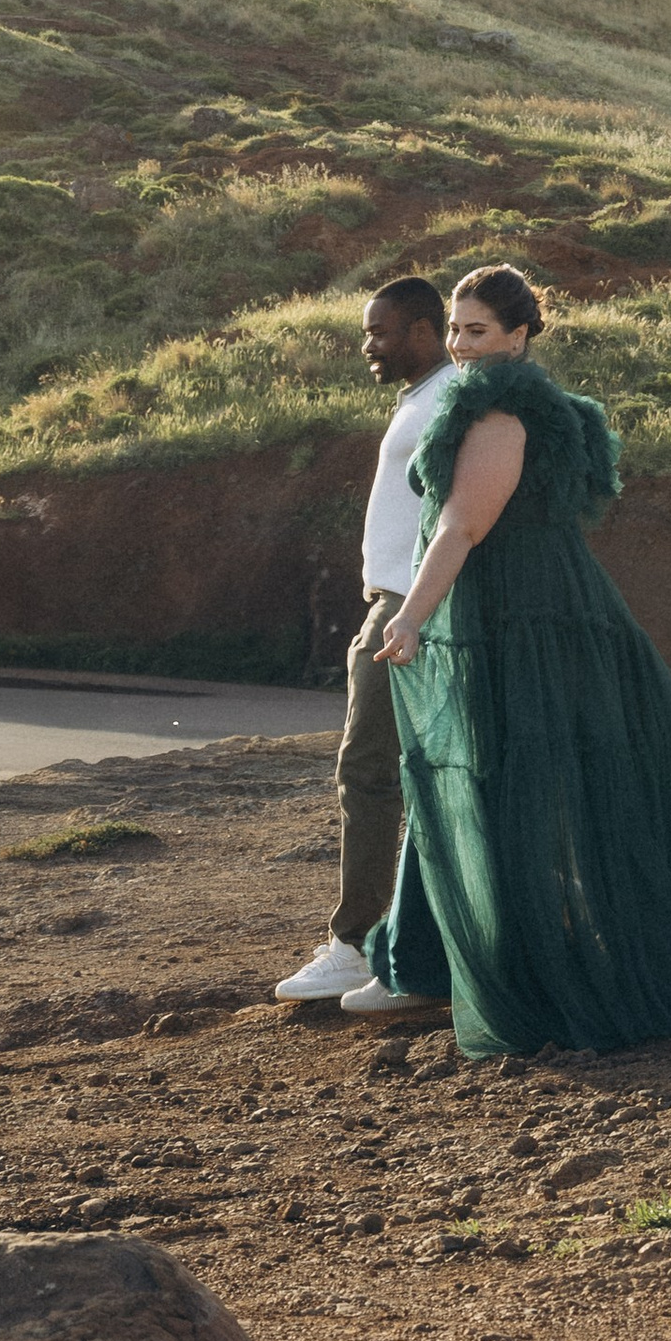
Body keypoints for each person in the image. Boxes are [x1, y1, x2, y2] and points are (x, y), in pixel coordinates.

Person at [338, 263, 671, 1053]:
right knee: (497, 776)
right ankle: (432, 959)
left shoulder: (498, 411)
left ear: (519, 336)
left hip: (515, 618)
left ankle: (477, 966)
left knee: (500, 778)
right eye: (454, 329)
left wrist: (412, 616)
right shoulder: (520, 403)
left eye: (477, 330)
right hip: (540, 608)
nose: (460, 345)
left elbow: (461, 526)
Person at [272, 277, 455, 1004]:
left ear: (421, 330)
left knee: (372, 769)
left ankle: (359, 944)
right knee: (385, 769)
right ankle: (389, 944)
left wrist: (414, 610)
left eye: (379, 332)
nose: (368, 346)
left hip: (411, 606)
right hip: (394, 601)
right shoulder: (421, 398)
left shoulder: (447, 398)